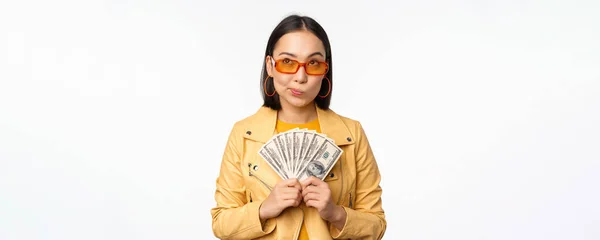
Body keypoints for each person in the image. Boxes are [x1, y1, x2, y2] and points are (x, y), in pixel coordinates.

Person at [210, 14, 386, 240]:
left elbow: (376, 225)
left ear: (325, 70)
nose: (300, 77)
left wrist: (335, 213)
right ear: (270, 66)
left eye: (313, 63)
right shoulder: (244, 134)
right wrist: (264, 208)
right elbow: (221, 224)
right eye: (287, 62)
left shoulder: (351, 134)